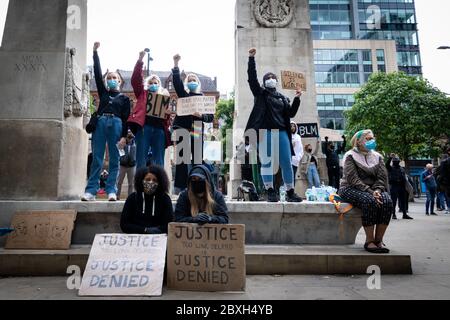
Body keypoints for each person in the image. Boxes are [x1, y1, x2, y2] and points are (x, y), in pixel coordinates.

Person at [245, 48, 303, 202]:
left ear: (277, 81)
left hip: (282, 132)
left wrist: (297, 98)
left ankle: (290, 192)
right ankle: (270, 191)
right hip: (265, 133)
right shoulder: (261, 94)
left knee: (286, 163)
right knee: (267, 162)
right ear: (264, 82)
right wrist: (251, 59)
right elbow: (252, 79)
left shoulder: (283, 98)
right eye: (268, 78)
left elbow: (291, 114)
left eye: (273, 77)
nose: (270, 79)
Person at [82, 42, 131, 202]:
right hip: (101, 123)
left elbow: (126, 119)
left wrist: (124, 137)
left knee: (115, 158)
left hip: (117, 125)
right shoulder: (103, 92)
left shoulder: (124, 98)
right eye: (109, 78)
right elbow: (97, 73)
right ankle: (91, 191)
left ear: (119, 82)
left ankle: (111, 190)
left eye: (114, 78)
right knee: (97, 157)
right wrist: (95, 53)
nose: (111, 80)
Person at [338, 130, 393, 254]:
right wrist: (370, 191)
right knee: (369, 201)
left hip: (374, 189)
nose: (371, 141)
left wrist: (377, 190)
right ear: (358, 141)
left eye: (372, 138)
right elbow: (353, 179)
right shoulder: (350, 155)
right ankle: (369, 241)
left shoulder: (378, 156)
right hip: (350, 188)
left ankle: (379, 240)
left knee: (387, 201)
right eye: (368, 139)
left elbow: (382, 178)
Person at [171, 54, 214, 192]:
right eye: (189, 80)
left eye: (194, 79)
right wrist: (176, 64)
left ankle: (197, 186)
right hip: (182, 128)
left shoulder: (203, 98)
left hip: (197, 129)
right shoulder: (184, 95)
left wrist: (201, 116)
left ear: (198, 83)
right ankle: (180, 187)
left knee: (197, 158)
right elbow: (177, 84)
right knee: (182, 158)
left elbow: (210, 118)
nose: (191, 81)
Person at [128, 50, 172, 169]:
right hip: (144, 128)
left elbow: (167, 120)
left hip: (159, 130)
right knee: (141, 160)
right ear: (148, 84)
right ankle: (140, 186)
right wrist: (140, 60)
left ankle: (159, 186)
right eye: (151, 82)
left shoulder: (164, 97)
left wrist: (167, 114)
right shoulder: (142, 93)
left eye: (156, 82)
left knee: (159, 161)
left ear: (159, 84)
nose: (153, 84)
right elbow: (135, 80)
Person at [121, 165, 173, 234]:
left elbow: (168, 224)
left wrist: (156, 231)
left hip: (158, 239)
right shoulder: (132, 198)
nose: (151, 182)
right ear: (141, 180)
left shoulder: (165, 199)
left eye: (155, 180)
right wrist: (144, 230)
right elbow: (124, 224)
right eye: (148, 179)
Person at [386, 154, 413, 220]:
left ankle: (404, 214)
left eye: (397, 161)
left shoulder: (401, 169)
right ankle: (394, 214)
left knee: (403, 201)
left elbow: (405, 178)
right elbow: (386, 165)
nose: (397, 162)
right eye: (395, 161)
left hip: (402, 186)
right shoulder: (391, 168)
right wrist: (390, 158)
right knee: (394, 201)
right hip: (394, 185)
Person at [116, 131, 137, 200]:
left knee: (131, 183)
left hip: (132, 166)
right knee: (119, 182)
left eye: (131, 135)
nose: (129, 137)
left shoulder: (135, 143)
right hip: (123, 165)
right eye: (128, 135)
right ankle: (117, 196)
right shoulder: (122, 143)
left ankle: (130, 197)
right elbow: (119, 149)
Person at [290, 122, 303, 186]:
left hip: (295, 161)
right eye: (291, 126)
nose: (292, 128)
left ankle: (292, 192)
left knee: (293, 177)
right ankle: (286, 192)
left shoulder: (298, 137)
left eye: (294, 126)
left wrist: (298, 158)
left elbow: (301, 149)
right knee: (288, 177)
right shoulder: (287, 136)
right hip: (288, 160)